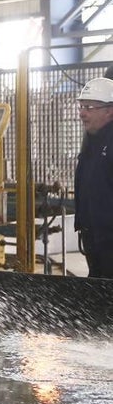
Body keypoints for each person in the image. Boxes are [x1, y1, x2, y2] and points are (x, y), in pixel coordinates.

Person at [74, 76, 113, 278]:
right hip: (93, 236)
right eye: (81, 106)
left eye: (89, 107)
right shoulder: (91, 141)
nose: (82, 113)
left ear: (109, 110)